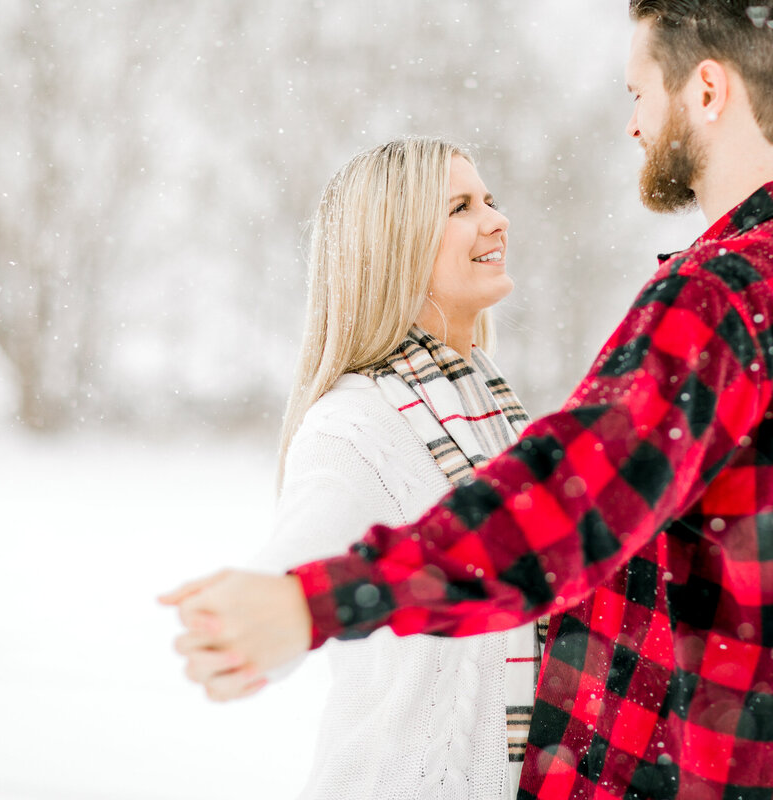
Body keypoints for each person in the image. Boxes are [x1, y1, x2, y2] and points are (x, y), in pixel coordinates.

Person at [162, 3, 773, 799]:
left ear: (706, 90)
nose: (634, 124)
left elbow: (563, 508)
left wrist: (315, 602)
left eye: (640, 92)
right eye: (458, 206)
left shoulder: (717, 298)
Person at [210, 137, 542, 799]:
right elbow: (287, 579)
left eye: (491, 200)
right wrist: (248, 627)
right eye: (460, 206)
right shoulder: (356, 425)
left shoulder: (491, 403)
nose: (496, 219)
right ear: (396, 245)